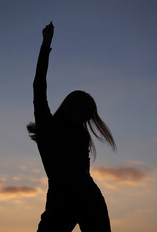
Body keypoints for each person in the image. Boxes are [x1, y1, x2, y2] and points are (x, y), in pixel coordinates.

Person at [27, 22, 116, 232]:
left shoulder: (81, 136)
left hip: (87, 197)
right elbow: (39, 85)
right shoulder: (47, 125)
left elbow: (84, 170)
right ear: (72, 108)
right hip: (61, 199)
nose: (84, 119)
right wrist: (46, 45)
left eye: (87, 116)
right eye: (84, 112)